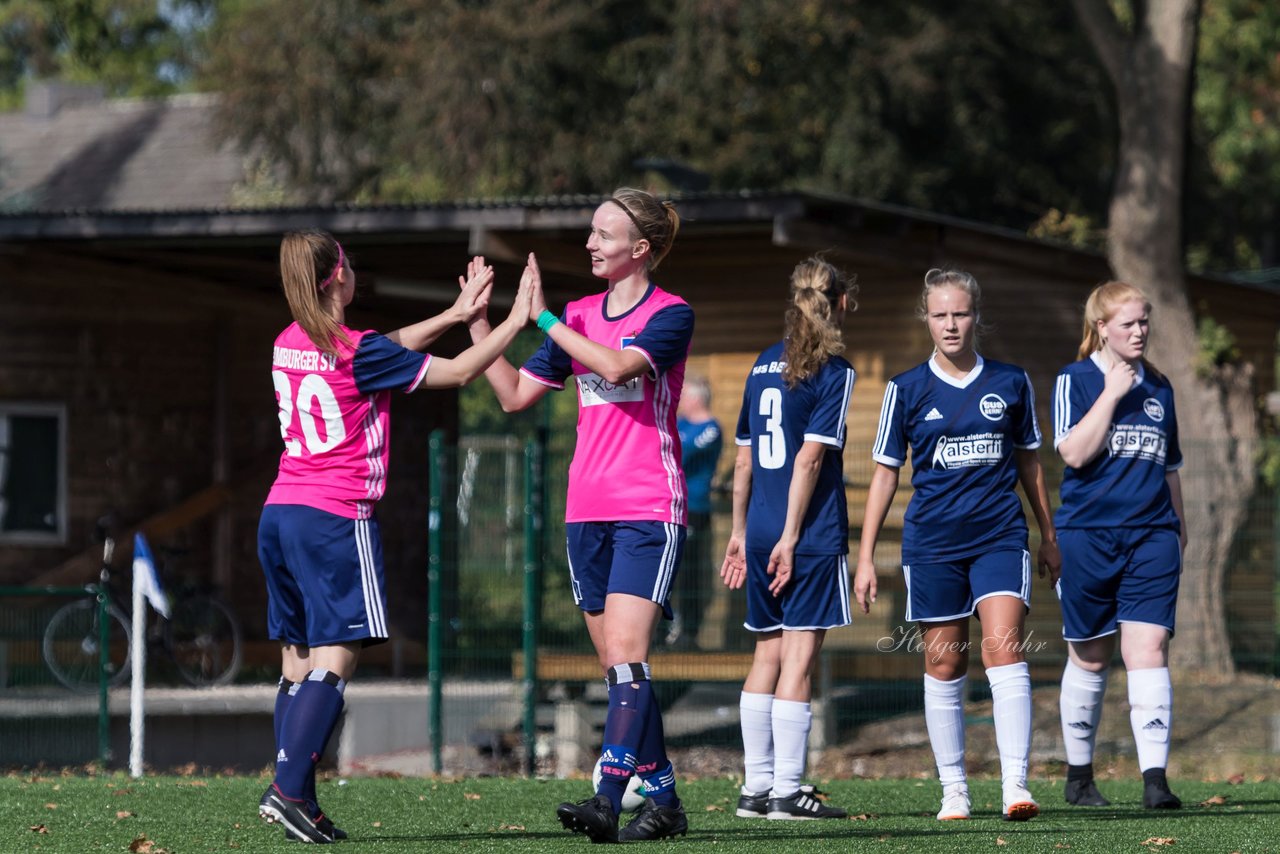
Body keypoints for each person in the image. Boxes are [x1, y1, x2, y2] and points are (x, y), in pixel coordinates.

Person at [256, 229, 533, 843]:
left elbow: (385, 349)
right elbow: (460, 372)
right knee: (338, 656)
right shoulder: (356, 352)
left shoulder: (288, 341)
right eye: (349, 263)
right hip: (333, 516)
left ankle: (293, 789)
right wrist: (513, 321)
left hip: (280, 512)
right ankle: (289, 789)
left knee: (297, 658)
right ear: (337, 279)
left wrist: (455, 314)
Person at [464, 189, 692, 843]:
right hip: (585, 512)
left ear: (639, 250)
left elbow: (620, 364)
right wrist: (484, 324)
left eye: (604, 234)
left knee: (626, 651)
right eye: (591, 232)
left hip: (649, 505)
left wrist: (545, 321)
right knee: (618, 666)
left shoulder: (671, 314)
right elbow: (512, 396)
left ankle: (607, 797)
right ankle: (667, 802)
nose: (590, 244)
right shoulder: (578, 315)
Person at [854, 268, 1060, 823]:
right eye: (940, 314)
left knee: (1003, 649)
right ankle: (954, 791)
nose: (951, 324)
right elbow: (884, 475)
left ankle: (1016, 786)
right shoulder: (905, 388)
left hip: (1000, 536)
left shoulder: (1011, 382)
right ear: (927, 318)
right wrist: (867, 555)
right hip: (932, 543)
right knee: (945, 664)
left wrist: (1049, 535)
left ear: (976, 317)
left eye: (960, 313)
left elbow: (1030, 463)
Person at [720, 256, 856, 821]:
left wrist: (738, 533)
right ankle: (788, 792)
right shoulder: (833, 370)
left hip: (759, 529)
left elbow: (745, 461)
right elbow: (808, 460)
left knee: (767, 655)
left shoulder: (759, 364)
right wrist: (794, 537)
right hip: (808, 534)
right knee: (798, 661)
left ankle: (754, 790)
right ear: (841, 302)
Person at [1052, 281, 1186, 810]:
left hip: (1152, 536)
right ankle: (1079, 778)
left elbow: (1171, 469)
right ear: (1101, 327)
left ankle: (1156, 781)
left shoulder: (1162, 387)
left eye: (1144, 322)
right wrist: (1111, 392)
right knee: (1090, 656)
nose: (1139, 332)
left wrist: (1180, 528)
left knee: (1148, 650)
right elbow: (1075, 454)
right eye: (1127, 323)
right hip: (1087, 536)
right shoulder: (1075, 379)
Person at [670, 374, 723, 649]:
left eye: (684, 395)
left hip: (695, 509)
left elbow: (679, 454)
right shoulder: (679, 424)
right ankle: (665, 627)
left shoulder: (710, 428)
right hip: (670, 506)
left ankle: (688, 632)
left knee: (690, 571)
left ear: (696, 398)